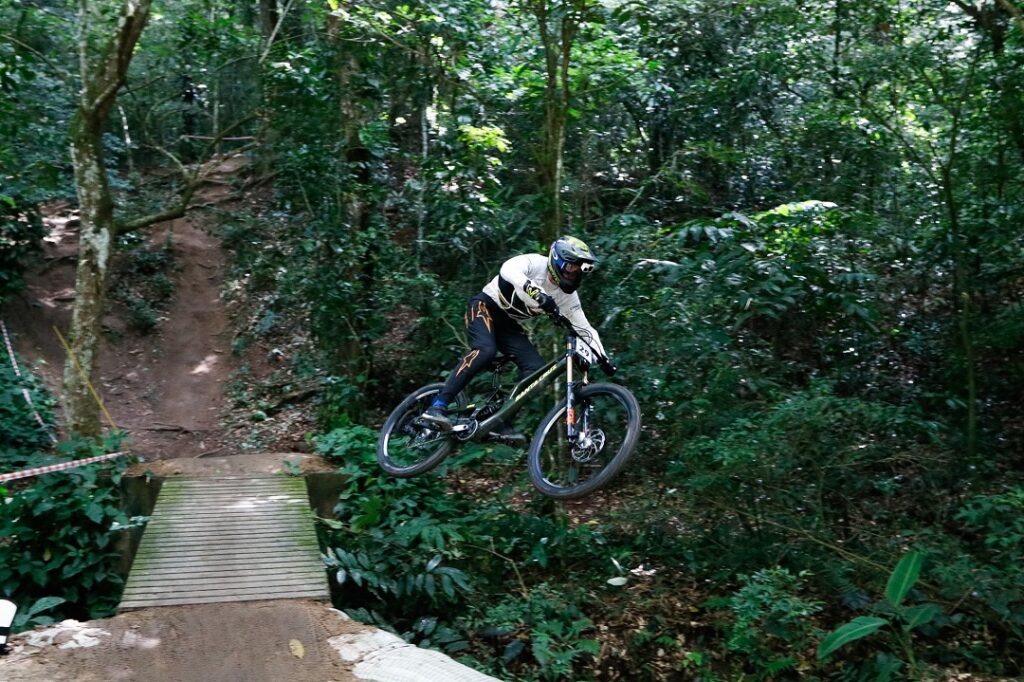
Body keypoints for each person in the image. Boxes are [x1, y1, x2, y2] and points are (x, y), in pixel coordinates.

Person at [421, 236, 616, 431]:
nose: (573, 273)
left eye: (578, 270)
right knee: (485, 350)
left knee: (537, 372)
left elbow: (585, 329)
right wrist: (536, 292)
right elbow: (508, 269)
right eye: (571, 267)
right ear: (557, 260)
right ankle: (437, 406)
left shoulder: (568, 297)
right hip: (485, 306)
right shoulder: (535, 263)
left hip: (509, 324)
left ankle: (498, 420)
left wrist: (603, 358)